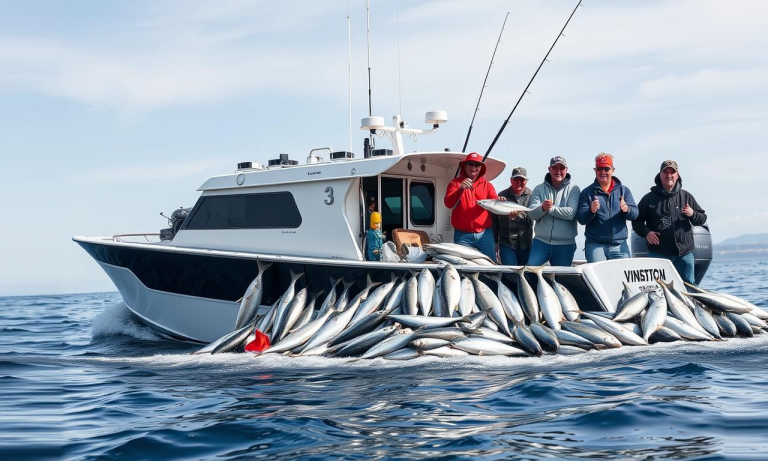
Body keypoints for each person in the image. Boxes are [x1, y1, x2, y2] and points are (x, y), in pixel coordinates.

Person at [632, 160, 707, 285]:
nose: (669, 175)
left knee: (690, 288)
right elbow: (636, 222)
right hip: (658, 254)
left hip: (684, 254)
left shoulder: (686, 196)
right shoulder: (648, 199)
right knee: (659, 290)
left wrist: (692, 213)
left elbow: (702, 219)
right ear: (660, 175)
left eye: (672, 172)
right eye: (665, 172)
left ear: (677, 175)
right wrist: (647, 233)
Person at [576, 153, 639, 262]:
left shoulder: (624, 191)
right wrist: (591, 211)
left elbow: (635, 214)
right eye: (600, 169)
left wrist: (627, 209)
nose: (603, 172)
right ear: (595, 170)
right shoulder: (586, 193)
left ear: (613, 170)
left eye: (606, 169)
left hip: (620, 245)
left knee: (622, 277)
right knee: (598, 277)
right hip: (595, 245)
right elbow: (581, 219)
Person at [444, 152, 499, 261]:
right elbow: (448, 203)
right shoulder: (455, 183)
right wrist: (460, 189)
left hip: (484, 234)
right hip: (463, 236)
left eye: (477, 165)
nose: (474, 167)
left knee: (490, 265)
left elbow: (495, 204)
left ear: (481, 168)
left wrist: (503, 204)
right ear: (465, 166)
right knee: (463, 267)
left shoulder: (487, 185)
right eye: (470, 164)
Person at [527, 156, 580, 266]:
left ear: (566, 169)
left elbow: (570, 213)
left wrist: (549, 209)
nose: (558, 171)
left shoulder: (574, 189)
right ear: (549, 169)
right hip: (541, 242)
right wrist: (542, 208)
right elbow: (531, 214)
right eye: (555, 168)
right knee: (530, 272)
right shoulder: (538, 189)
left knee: (562, 279)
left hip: (565, 245)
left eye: (561, 168)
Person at [492, 167, 533, 265]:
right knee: (509, 273)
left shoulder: (532, 195)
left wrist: (518, 216)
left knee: (525, 273)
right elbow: (494, 220)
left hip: (526, 243)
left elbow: (534, 216)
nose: (519, 182)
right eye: (516, 179)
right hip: (507, 243)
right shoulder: (502, 195)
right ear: (511, 180)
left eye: (522, 180)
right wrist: (495, 242)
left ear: (526, 181)